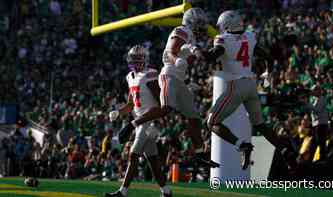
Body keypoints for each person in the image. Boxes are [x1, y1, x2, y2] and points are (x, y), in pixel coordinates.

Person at [117, 8, 220, 168]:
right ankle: (131, 125)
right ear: (192, 22)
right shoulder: (182, 31)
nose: (202, 28)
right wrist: (176, 59)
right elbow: (171, 51)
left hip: (180, 80)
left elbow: (197, 55)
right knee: (166, 108)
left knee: (194, 119)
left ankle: (200, 154)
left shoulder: (192, 38)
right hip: (169, 74)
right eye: (199, 24)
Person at [203, 10, 296, 170]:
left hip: (236, 85)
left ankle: (242, 145)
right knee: (259, 124)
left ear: (227, 25)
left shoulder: (223, 39)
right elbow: (267, 56)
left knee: (212, 122)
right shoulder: (249, 36)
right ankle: (284, 150)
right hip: (251, 85)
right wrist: (267, 74)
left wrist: (199, 52)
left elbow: (214, 55)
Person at [105, 45, 172, 197]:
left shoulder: (150, 74)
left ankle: (123, 192)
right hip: (139, 121)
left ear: (144, 59)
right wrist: (118, 112)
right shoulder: (130, 77)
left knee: (133, 155)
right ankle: (166, 192)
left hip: (149, 121)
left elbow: (161, 103)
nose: (135, 61)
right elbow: (131, 104)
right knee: (152, 160)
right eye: (133, 58)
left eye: (138, 58)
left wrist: (157, 120)